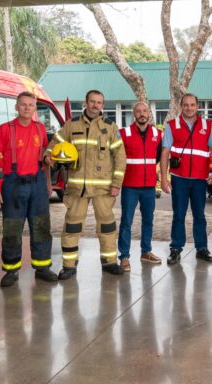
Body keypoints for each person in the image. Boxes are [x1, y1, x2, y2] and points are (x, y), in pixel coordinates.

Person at [46, 89, 126, 280]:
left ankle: (109, 262)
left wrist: (116, 184)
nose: (95, 105)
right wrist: (49, 157)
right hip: (76, 189)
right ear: (85, 102)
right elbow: (52, 145)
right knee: (72, 227)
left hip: (103, 189)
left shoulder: (111, 127)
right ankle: (69, 266)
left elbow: (120, 157)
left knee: (107, 226)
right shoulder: (71, 125)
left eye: (99, 102)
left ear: (102, 106)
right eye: (92, 101)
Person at [0, 91, 58, 287]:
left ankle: (43, 266)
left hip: (37, 183)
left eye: (31, 105)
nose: (27, 108)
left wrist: (47, 182)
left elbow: (45, 157)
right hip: (13, 185)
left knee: (41, 226)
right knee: (12, 229)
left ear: (35, 108)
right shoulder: (5, 129)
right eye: (23, 104)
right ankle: (11, 270)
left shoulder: (40, 129)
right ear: (16, 107)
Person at [160, 93, 212, 265]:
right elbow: (165, 152)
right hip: (179, 179)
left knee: (199, 215)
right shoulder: (172, 125)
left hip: (200, 179)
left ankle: (202, 248)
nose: (189, 108)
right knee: (179, 214)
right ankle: (176, 248)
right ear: (181, 106)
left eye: (192, 105)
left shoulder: (207, 126)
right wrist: (163, 178)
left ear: (197, 106)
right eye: (185, 105)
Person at [117, 101, 163, 272]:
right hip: (130, 186)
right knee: (126, 222)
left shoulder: (157, 134)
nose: (142, 114)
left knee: (148, 221)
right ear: (133, 114)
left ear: (149, 113)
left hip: (149, 186)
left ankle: (146, 251)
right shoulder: (123, 133)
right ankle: (124, 256)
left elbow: (157, 157)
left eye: (145, 111)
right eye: (138, 111)